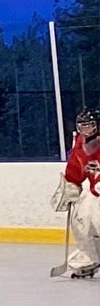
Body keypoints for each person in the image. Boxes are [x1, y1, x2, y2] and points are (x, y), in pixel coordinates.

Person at [53, 109, 100, 278]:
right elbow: (75, 169)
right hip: (96, 191)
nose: (86, 132)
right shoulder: (81, 144)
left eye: (90, 127)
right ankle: (90, 257)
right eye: (83, 127)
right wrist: (70, 187)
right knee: (81, 216)